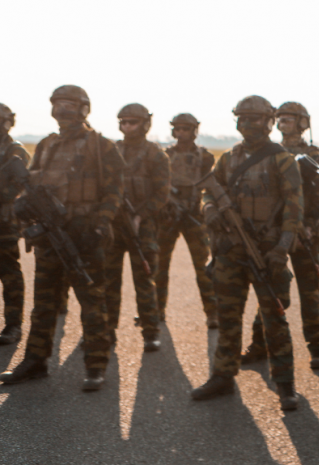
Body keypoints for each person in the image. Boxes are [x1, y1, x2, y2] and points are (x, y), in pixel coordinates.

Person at [1, 85, 123, 391]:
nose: (62, 111)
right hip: (48, 237)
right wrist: (22, 206)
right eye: (58, 105)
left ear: (84, 109)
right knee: (44, 304)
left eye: (69, 105)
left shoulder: (101, 146)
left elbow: (115, 191)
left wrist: (100, 224)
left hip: (85, 236)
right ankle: (35, 362)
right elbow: (29, 182)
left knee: (92, 302)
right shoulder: (46, 145)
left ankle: (95, 366)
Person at [190, 95, 301, 411]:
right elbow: (207, 191)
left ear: (268, 122)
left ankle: (285, 384)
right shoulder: (228, 159)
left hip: (267, 254)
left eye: (254, 118)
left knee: (275, 320)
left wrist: (282, 248)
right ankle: (222, 377)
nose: (247, 124)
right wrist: (209, 207)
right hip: (230, 252)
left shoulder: (282, 160)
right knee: (227, 317)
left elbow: (295, 210)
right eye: (242, 118)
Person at [240, 101, 319, 370]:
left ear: (303, 123)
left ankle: (317, 347)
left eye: (289, 119)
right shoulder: (268, 152)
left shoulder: (314, 155)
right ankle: (259, 345)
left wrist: (310, 226)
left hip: (304, 233)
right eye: (280, 119)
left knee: (310, 291)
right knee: (271, 288)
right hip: (274, 232)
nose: (283, 123)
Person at [104, 103, 170, 352]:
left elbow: (161, 194)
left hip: (143, 228)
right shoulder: (112, 150)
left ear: (144, 124)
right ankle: (106, 332)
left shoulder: (156, 154)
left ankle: (151, 332)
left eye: (132, 122)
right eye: (123, 122)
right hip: (114, 226)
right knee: (108, 282)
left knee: (144, 280)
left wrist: (140, 216)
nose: (127, 127)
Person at [156, 113, 218, 329]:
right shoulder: (165, 155)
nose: (181, 133)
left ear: (194, 131)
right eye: (178, 129)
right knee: (160, 265)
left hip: (194, 216)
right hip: (170, 216)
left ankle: (212, 312)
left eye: (186, 129)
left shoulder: (205, 157)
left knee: (204, 267)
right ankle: (157, 311)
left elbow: (211, 186)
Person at [0, 103, 30, 346]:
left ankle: (13, 324)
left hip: (5, 223)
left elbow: (20, 185)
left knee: (9, 274)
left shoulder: (14, 150)